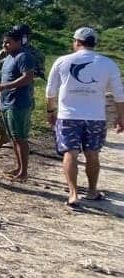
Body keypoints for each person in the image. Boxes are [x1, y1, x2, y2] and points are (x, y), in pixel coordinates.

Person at [45, 27, 124, 208]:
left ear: (77, 42)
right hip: (95, 116)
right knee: (92, 153)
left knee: (70, 152)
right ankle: (92, 191)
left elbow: (50, 91)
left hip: (68, 116)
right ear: (94, 43)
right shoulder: (108, 63)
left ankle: (73, 194)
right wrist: (121, 117)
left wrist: (51, 112)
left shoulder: (62, 61)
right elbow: (119, 94)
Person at [0, 23, 45, 148]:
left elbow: (38, 73)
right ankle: (3, 136)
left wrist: (23, 66)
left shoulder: (34, 53)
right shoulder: (6, 51)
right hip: (4, 88)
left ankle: (22, 143)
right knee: (1, 116)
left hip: (24, 91)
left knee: (21, 121)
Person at [0, 28, 36, 181]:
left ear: (18, 42)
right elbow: (6, 79)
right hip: (6, 101)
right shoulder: (8, 58)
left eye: (8, 42)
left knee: (20, 138)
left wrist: (4, 87)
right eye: (4, 42)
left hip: (18, 103)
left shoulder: (24, 57)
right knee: (13, 137)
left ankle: (24, 172)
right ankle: (18, 168)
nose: (5, 45)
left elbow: (28, 78)